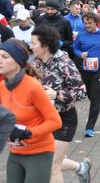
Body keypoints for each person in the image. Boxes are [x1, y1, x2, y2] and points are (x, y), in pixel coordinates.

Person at [30, 25, 90, 183]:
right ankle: (80, 167)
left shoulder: (64, 63)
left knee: (52, 166)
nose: (31, 46)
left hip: (64, 119)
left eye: (34, 43)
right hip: (42, 119)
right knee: (43, 161)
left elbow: (82, 91)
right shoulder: (35, 63)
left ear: (45, 45)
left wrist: (56, 94)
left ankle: (80, 168)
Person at [0, 39, 62, 183]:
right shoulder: (2, 87)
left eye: (5, 57)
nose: (0, 61)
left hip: (39, 152)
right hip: (15, 153)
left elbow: (55, 121)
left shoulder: (32, 87)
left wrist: (28, 133)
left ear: (18, 61)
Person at [74, 12, 100, 137]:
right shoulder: (81, 35)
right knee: (92, 97)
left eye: (89, 23)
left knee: (96, 98)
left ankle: (90, 127)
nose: (87, 25)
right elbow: (75, 48)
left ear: (96, 22)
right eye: (85, 23)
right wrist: (80, 54)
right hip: (86, 69)